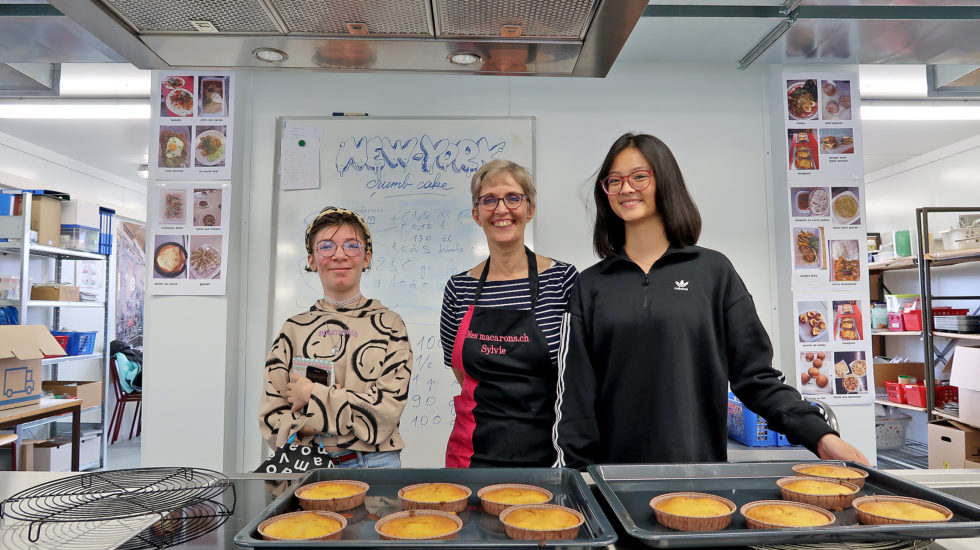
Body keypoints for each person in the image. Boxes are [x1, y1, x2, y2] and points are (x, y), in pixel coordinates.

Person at [553, 133, 869, 468]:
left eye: (639, 176)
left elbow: (756, 377)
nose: (625, 189)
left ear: (666, 181)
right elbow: (575, 400)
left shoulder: (713, 272)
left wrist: (820, 435)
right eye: (614, 181)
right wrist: (576, 482)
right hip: (609, 479)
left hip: (697, 478)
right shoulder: (591, 285)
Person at [441, 159, 578, 468]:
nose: (501, 209)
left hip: (547, 454)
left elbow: (577, 376)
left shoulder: (563, 281)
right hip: (471, 456)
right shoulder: (459, 288)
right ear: (477, 215)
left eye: (512, 198)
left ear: (530, 210)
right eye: (489, 200)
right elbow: (461, 372)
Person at [259, 206, 413, 468]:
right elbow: (273, 420)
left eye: (352, 246)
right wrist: (344, 403)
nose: (339, 255)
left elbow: (385, 414)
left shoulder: (390, 325)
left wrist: (311, 395)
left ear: (366, 258)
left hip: (376, 464)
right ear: (311, 260)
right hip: (308, 465)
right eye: (326, 246)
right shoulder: (293, 329)